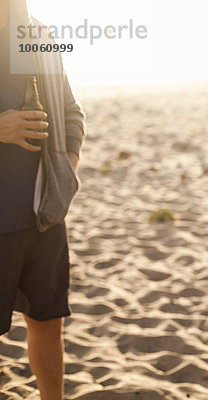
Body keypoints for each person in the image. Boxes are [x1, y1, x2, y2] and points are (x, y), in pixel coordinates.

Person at [0, 1, 86, 398]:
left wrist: (65, 172)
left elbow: (71, 112)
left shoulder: (38, 33)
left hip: (43, 214)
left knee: (49, 323)